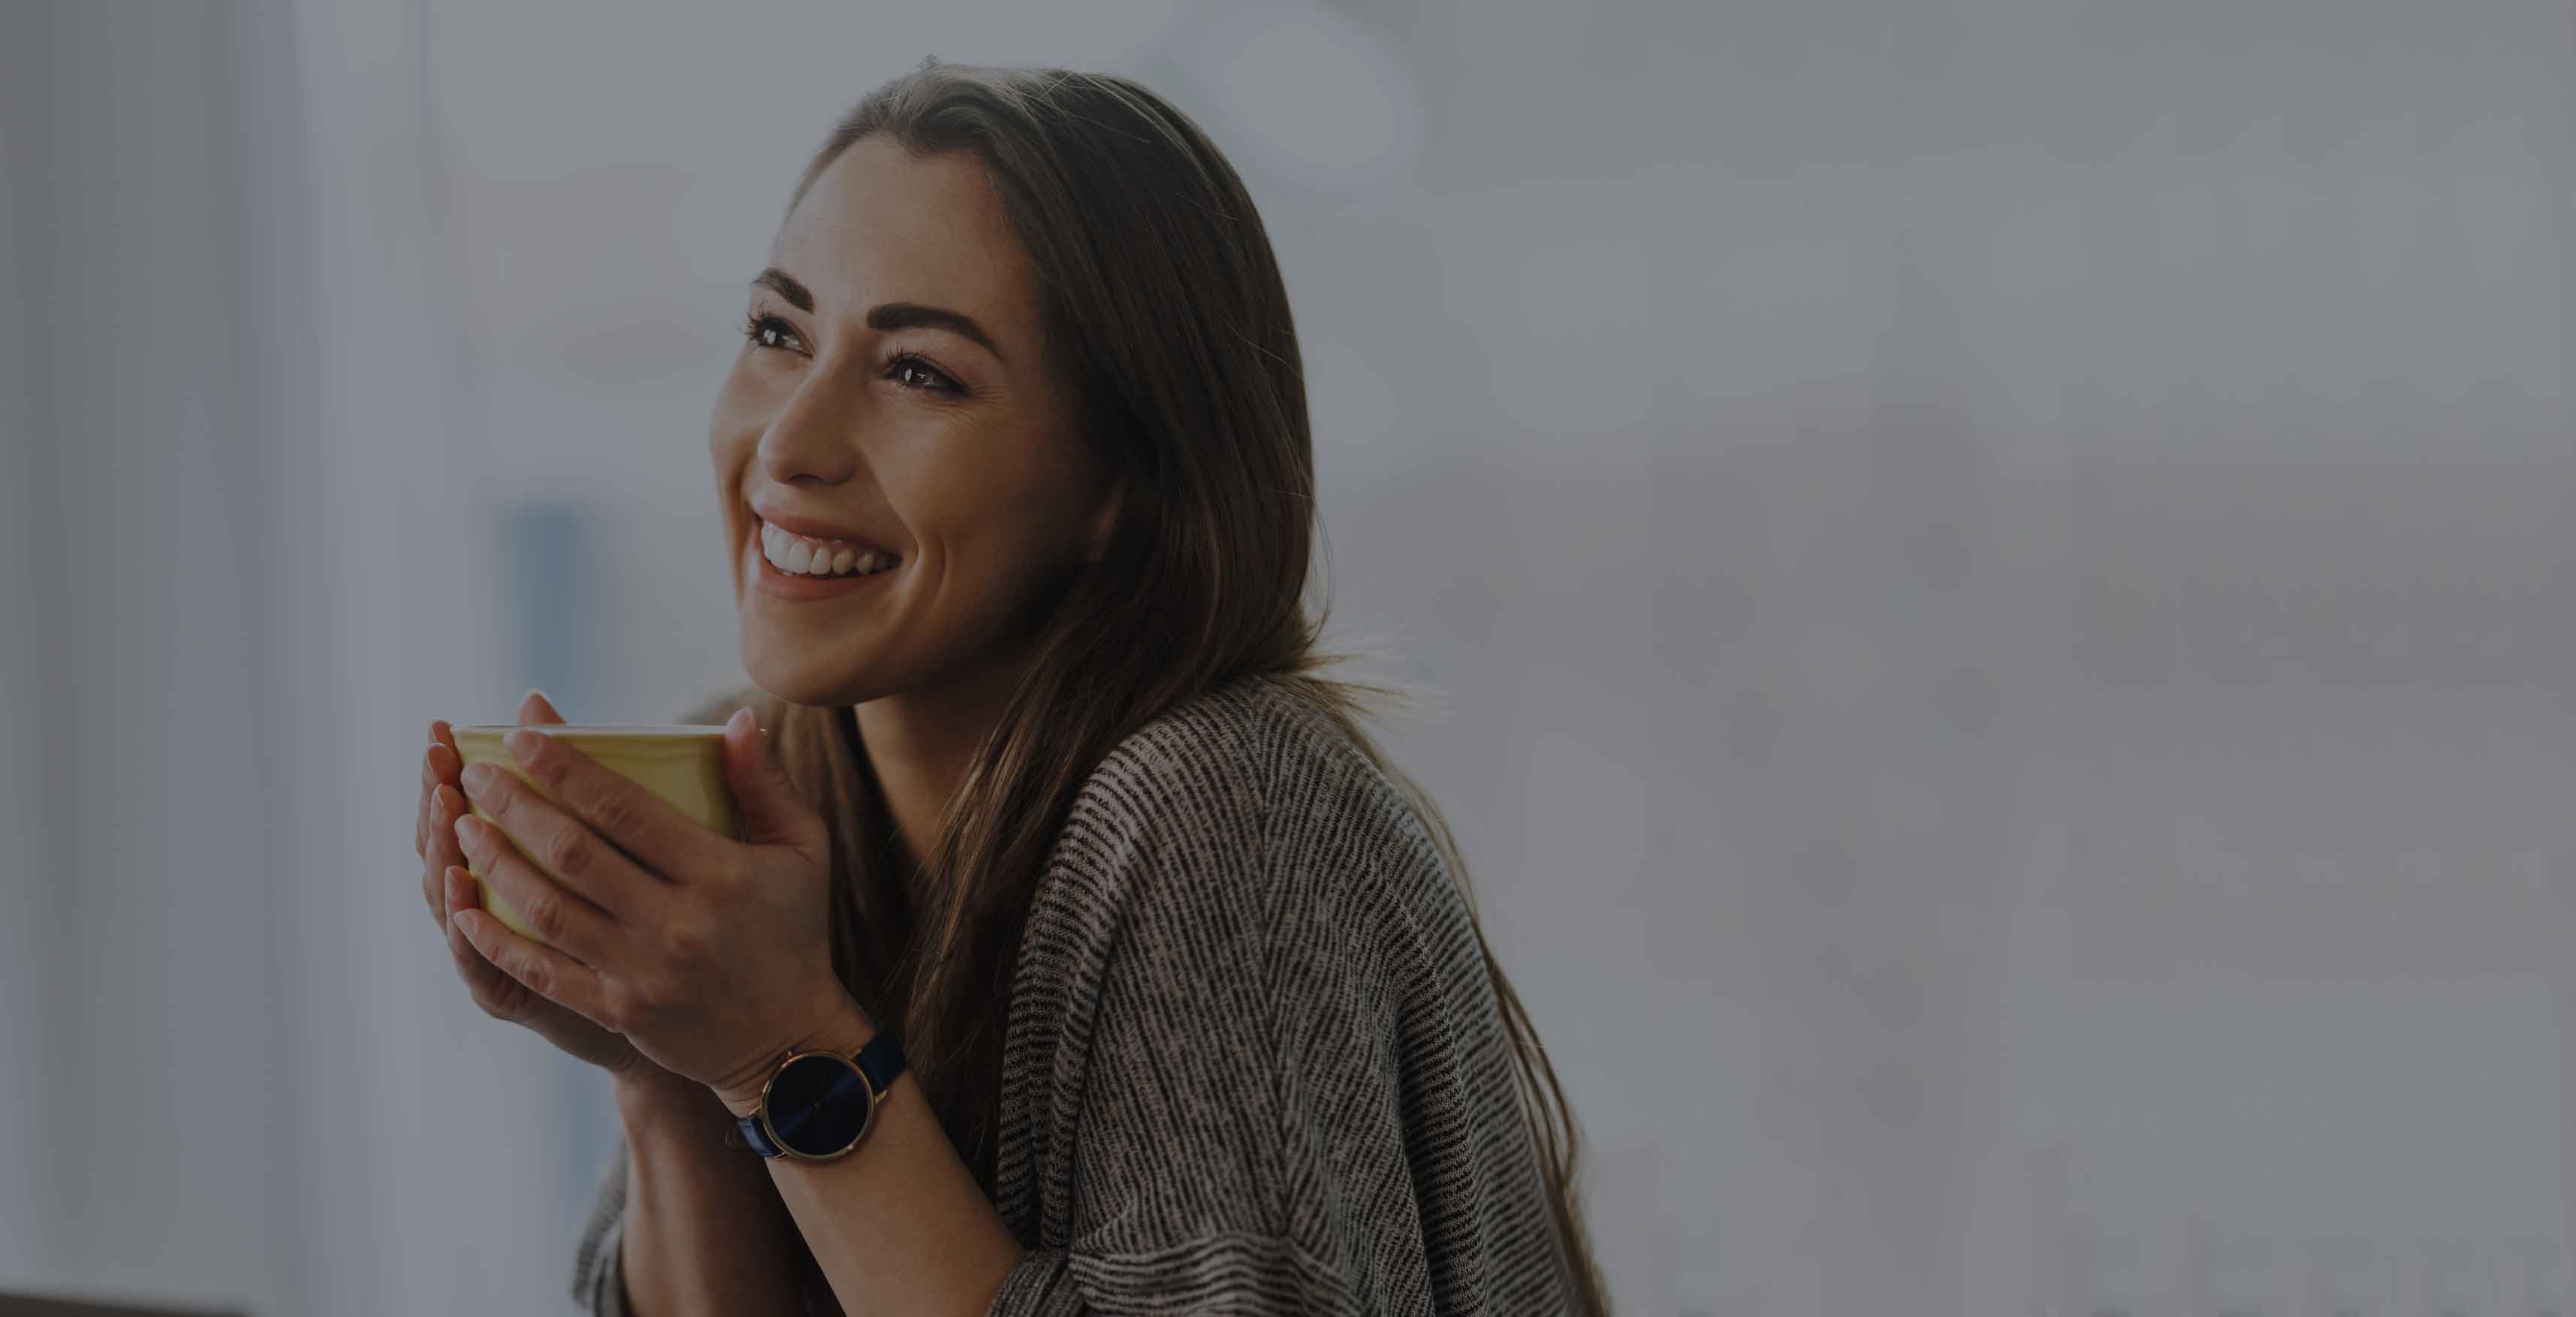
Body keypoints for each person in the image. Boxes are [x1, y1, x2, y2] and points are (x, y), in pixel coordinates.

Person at [410, 58, 1611, 1317]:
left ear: (1120, 491)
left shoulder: (1218, 809)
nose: (788, 443)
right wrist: (667, 1063)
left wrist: (785, 1051)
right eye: (778, 333)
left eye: (917, 371)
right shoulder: (758, 772)